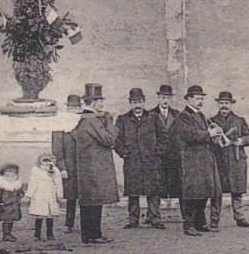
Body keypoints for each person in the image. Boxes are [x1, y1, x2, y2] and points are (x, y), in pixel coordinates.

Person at [167, 85, 223, 237]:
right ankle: (188, 225)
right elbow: (189, 135)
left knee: (203, 193)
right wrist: (209, 133)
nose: (200, 101)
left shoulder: (201, 115)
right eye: (198, 98)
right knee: (191, 194)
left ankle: (200, 223)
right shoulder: (183, 116)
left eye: (202, 99)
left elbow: (202, 135)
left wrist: (214, 136)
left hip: (202, 161)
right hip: (190, 162)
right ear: (189, 99)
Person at [70, 84, 119, 245]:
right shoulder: (93, 120)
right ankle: (93, 235)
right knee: (94, 202)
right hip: (95, 167)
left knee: (89, 202)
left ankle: (90, 235)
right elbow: (108, 140)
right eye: (99, 101)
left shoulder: (84, 119)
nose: (102, 105)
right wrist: (111, 123)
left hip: (87, 167)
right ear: (92, 102)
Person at [113, 88, 167, 230]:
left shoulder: (153, 117)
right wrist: (124, 153)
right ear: (130, 103)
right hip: (132, 161)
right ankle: (133, 220)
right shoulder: (122, 120)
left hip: (151, 161)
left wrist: (158, 153)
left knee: (153, 190)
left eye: (140, 102)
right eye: (134, 102)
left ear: (144, 102)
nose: (137, 105)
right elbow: (117, 140)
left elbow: (163, 137)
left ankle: (155, 219)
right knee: (133, 192)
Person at [210, 91, 249, 229]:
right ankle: (214, 220)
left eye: (226, 103)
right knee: (217, 192)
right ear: (218, 104)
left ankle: (239, 217)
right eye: (221, 103)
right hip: (219, 160)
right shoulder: (212, 121)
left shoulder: (239, 120)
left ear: (231, 104)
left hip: (236, 160)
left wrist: (242, 140)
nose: (224, 106)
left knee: (237, 190)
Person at [52, 94, 82, 233]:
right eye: (71, 107)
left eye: (76, 107)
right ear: (67, 108)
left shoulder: (83, 122)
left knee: (86, 196)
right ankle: (68, 224)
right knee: (71, 197)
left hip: (84, 166)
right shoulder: (60, 124)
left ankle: (86, 224)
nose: (74, 110)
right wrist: (62, 167)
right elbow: (57, 149)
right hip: (70, 167)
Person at [150, 84, 181, 206]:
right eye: (163, 97)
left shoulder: (177, 114)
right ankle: (152, 215)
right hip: (157, 155)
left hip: (173, 155)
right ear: (158, 98)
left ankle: (184, 216)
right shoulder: (150, 114)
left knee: (176, 184)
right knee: (155, 185)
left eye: (168, 98)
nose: (165, 100)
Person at [24, 153, 64, 241]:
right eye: (43, 164)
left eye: (48, 164)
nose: (45, 166)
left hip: (50, 195)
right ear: (39, 163)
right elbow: (32, 184)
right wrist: (29, 195)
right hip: (39, 195)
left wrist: (59, 195)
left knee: (50, 215)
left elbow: (58, 184)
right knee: (39, 215)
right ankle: (37, 233)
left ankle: (50, 234)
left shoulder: (55, 171)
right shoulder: (36, 171)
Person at [0, 162, 25, 242]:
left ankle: (9, 233)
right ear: (3, 176)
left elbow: (20, 192)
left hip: (14, 205)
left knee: (11, 220)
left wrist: (22, 195)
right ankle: (6, 234)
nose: (10, 178)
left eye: (13, 176)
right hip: (5, 206)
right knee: (6, 220)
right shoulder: (1, 185)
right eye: (7, 176)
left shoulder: (17, 185)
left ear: (16, 176)